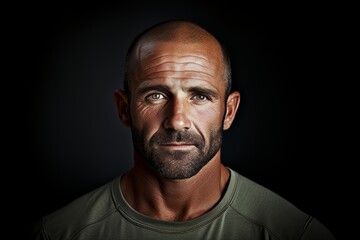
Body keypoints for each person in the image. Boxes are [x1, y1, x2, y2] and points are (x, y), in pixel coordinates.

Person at [32, 19, 335, 240]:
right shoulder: (58, 234)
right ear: (124, 109)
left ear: (228, 112)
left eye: (200, 96)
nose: (177, 120)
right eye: (156, 95)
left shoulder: (295, 234)